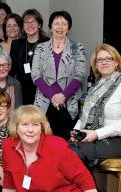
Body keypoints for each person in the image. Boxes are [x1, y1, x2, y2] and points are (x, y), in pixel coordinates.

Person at [1, 105, 101, 192]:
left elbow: (85, 180)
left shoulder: (57, 146)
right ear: (16, 127)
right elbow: (9, 184)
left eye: (35, 125)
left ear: (42, 127)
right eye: (25, 124)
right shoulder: (8, 146)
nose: (30, 130)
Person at [70, 43, 121, 169]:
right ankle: (87, 189)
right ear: (95, 65)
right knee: (65, 149)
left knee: (74, 153)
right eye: (99, 60)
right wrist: (76, 132)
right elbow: (84, 116)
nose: (104, 62)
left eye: (108, 58)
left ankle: (86, 189)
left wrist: (96, 134)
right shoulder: (95, 87)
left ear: (116, 62)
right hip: (96, 137)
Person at [31, 10, 86, 141]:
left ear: (68, 28)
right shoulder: (40, 48)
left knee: (66, 143)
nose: (59, 27)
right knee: (43, 141)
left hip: (68, 102)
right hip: (44, 103)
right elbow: (36, 75)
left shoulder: (77, 47)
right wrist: (53, 96)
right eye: (56, 24)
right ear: (50, 28)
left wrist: (63, 96)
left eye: (64, 24)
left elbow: (80, 75)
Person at [10, 9, 49, 105]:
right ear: (23, 26)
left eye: (33, 22)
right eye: (26, 22)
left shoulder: (47, 44)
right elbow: (12, 71)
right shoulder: (16, 44)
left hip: (42, 90)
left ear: (39, 25)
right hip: (21, 90)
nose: (30, 25)